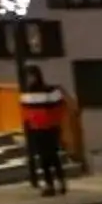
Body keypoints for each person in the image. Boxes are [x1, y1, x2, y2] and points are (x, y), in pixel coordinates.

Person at [18, 64, 71, 196]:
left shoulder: (50, 91)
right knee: (43, 158)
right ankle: (49, 184)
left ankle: (60, 181)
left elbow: (60, 108)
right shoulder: (26, 94)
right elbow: (25, 113)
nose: (30, 79)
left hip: (51, 129)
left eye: (31, 76)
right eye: (28, 77)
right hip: (36, 129)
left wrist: (55, 123)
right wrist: (28, 127)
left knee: (53, 156)